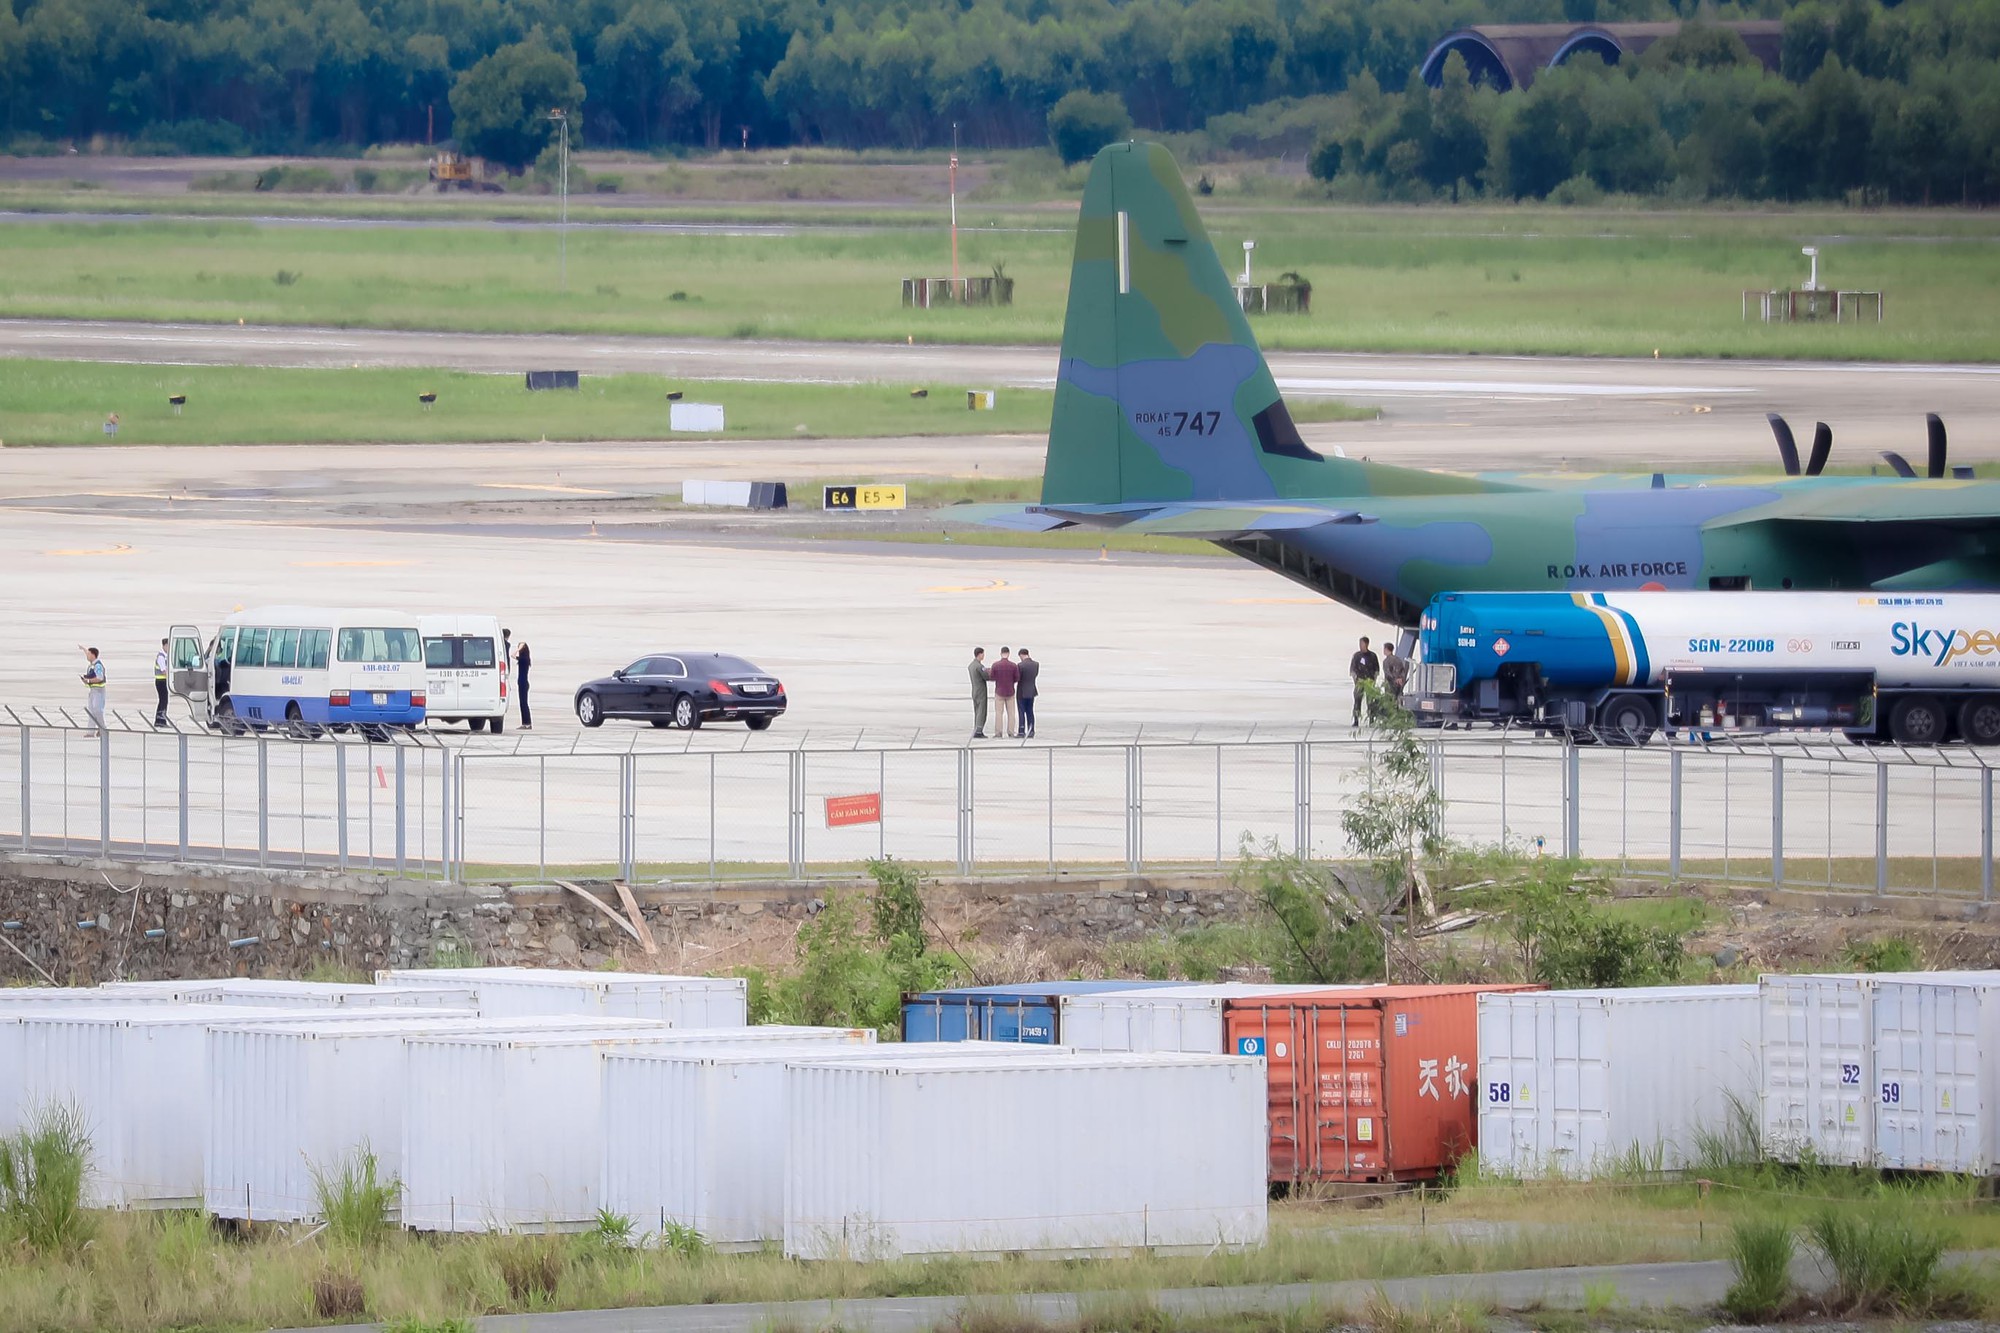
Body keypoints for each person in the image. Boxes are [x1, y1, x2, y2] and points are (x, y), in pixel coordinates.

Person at [1349, 635, 1380, 727]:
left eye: (1362, 644)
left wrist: (1373, 680)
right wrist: (1356, 680)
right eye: (1360, 644)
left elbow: (1376, 669)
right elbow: (1352, 669)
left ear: (1367, 644)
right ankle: (1356, 720)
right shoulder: (1357, 656)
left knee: (1370, 702)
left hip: (1369, 682)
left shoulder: (1373, 656)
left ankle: (1371, 719)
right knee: (1357, 701)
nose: (1361, 645)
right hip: (1360, 682)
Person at [991, 647, 1020, 738]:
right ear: (1008, 654)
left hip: (999, 691)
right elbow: (1017, 678)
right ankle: (1011, 732)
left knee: (999, 713)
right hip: (1010, 692)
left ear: (1001, 653)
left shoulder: (995, 665)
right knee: (1011, 713)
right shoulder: (1013, 665)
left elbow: (992, 677)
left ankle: (998, 732)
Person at [79, 645, 106, 732]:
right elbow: (87, 652)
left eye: (88, 654)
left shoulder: (97, 666)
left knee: (97, 710)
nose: (87, 656)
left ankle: (102, 729)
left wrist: (89, 681)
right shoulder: (93, 665)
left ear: (93, 655)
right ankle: (91, 732)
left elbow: (100, 678)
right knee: (91, 711)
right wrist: (83, 649)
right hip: (93, 691)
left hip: (99, 691)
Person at [1016, 648, 1039, 738]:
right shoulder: (1036, 664)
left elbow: (1018, 678)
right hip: (1032, 690)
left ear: (1021, 655)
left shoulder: (1020, 665)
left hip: (1022, 691)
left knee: (1021, 711)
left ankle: (1021, 730)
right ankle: (1031, 730)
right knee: (1030, 711)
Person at [967, 647, 990, 738]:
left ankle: (976, 728)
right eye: (983, 654)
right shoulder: (980, 666)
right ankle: (979, 730)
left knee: (976, 710)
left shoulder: (971, 665)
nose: (983, 656)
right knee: (981, 710)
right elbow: (986, 677)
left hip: (974, 690)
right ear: (979, 654)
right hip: (981, 691)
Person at [1381, 640, 1410, 706]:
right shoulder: (1398, 659)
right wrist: (1400, 680)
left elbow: (1388, 674)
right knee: (1398, 702)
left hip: (1390, 686)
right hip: (1399, 685)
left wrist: (1393, 680)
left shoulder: (1386, 661)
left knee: (1390, 703)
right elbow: (1403, 671)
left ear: (1386, 649)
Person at [514, 638, 532, 730]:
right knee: (522, 703)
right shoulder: (523, 659)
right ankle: (525, 723)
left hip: (523, 683)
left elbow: (512, 655)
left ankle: (527, 723)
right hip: (522, 683)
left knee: (524, 703)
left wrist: (519, 648)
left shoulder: (524, 659)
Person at [153, 637, 171, 728]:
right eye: (168, 646)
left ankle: (161, 720)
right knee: (163, 700)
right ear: (164, 645)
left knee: (164, 700)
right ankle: (160, 720)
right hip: (161, 681)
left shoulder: (166, 656)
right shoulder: (161, 657)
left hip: (163, 681)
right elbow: (164, 671)